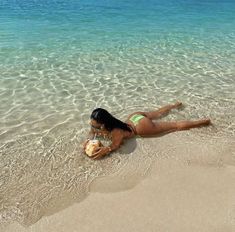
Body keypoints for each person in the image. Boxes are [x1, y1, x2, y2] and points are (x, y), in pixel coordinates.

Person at [83, 102, 211, 159]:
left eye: (95, 126)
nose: (92, 127)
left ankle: (204, 121)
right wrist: (88, 142)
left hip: (141, 128)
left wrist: (106, 150)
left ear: (104, 125)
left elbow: (115, 145)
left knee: (175, 126)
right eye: (91, 124)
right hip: (134, 117)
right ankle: (175, 105)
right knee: (159, 113)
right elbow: (92, 133)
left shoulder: (116, 132)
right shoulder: (107, 125)